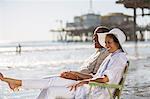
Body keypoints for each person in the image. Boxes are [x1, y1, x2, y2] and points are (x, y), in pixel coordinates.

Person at [0, 28, 128, 99]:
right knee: (51, 83)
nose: (106, 45)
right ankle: (16, 82)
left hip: (95, 92)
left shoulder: (118, 58)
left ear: (118, 43)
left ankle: (16, 83)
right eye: (105, 42)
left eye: (109, 42)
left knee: (51, 89)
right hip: (90, 87)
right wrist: (78, 78)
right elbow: (98, 76)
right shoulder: (112, 56)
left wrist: (82, 80)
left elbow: (106, 78)